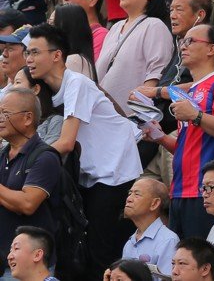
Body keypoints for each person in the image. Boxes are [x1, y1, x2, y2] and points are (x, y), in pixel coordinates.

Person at [24, 24, 142, 275]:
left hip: (113, 174)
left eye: (35, 52)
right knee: (84, 252)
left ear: (56, 55)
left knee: (101, 254)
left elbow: (66, 142)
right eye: (27, 53)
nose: (28, 59)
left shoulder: (78, 83)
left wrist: (29, 163)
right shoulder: (51, 93)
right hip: (89, 177)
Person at [147, 22, 214, 239]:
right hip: (180, 190)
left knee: (201, 265)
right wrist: (160, 137)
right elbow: (187, 146)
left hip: (208, 191)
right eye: (182, 41)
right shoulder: (192, 90)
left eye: (191, 41)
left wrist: (196, 116)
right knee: (182, 265)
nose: (183, 46)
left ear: (211, 49)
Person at [0, 88, 60, 257]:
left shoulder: (45, 157)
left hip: (30, 261)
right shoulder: (3, 155)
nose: (0, 119)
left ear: (27, 118)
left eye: (5, 113)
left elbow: (28, 204)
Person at [122, 178, 181, 272]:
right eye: (129, 193)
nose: (128, 199)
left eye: (137, 194)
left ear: (155, 203)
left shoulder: (168, 240)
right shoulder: (130, 243)